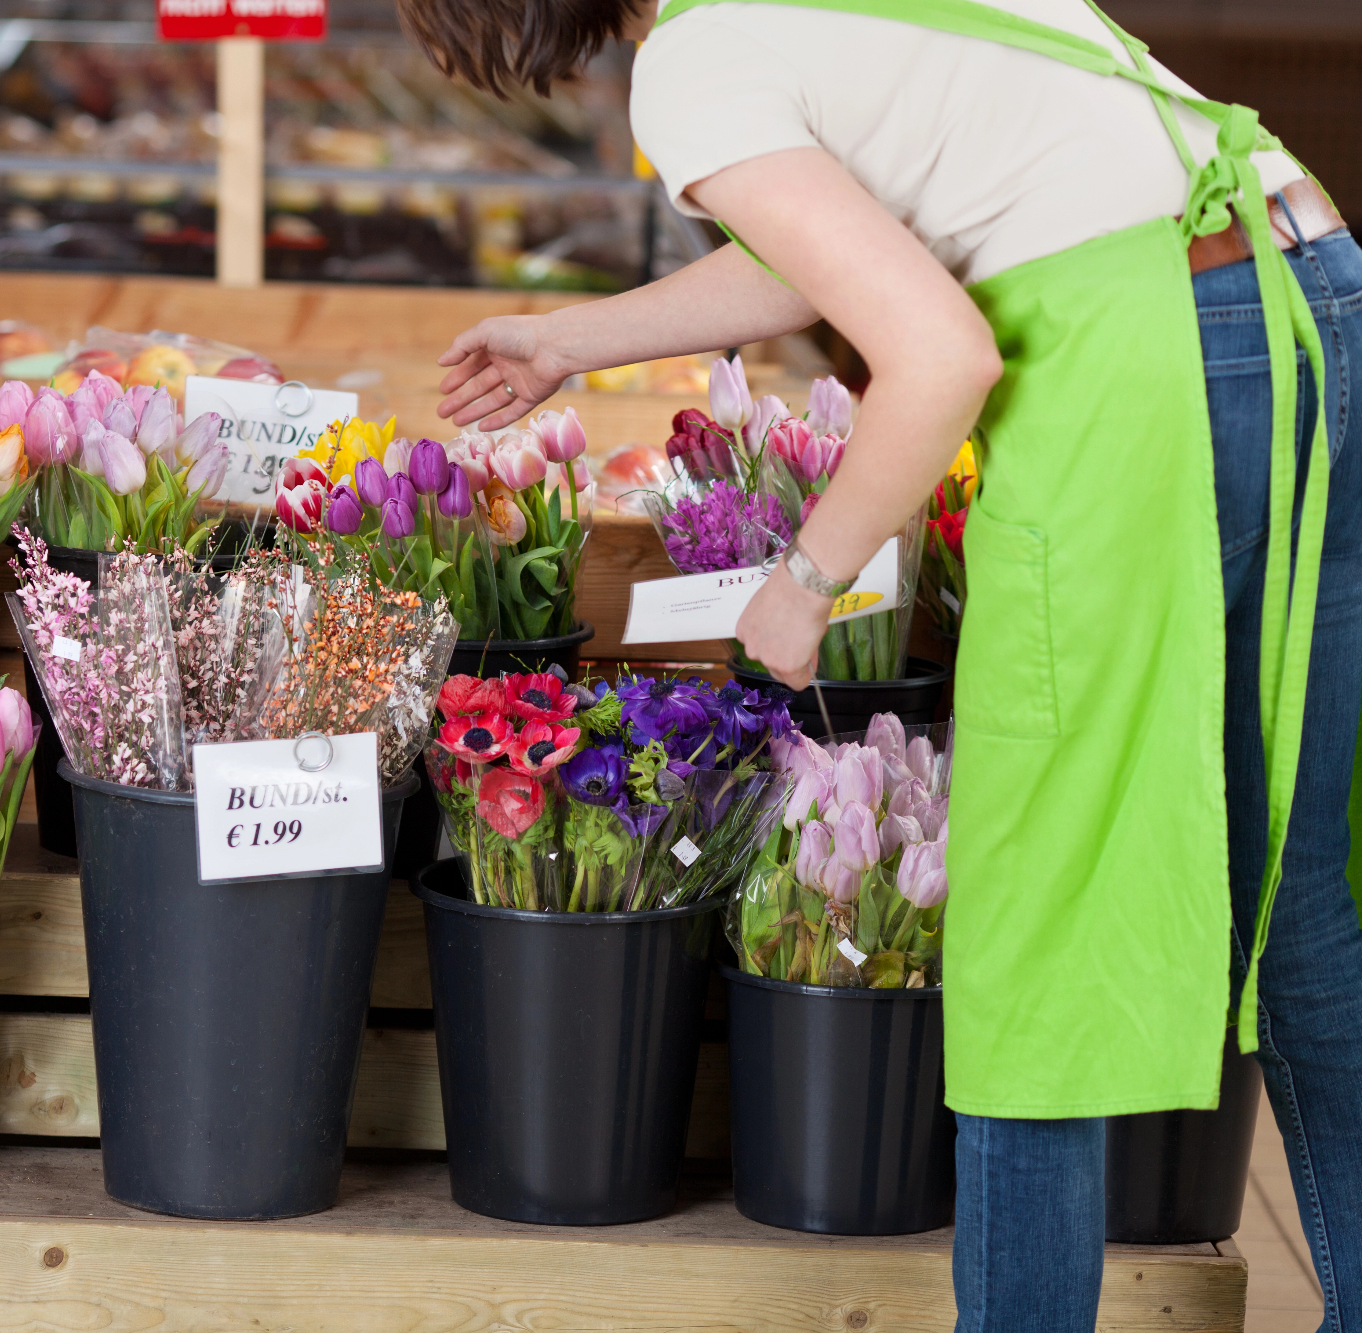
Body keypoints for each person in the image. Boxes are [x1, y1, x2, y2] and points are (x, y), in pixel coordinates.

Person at [394, 0, 1362, 1328]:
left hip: (1154, 366)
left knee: (1037, 905)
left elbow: (941, 350)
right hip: (1306, 293)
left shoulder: (692, 60)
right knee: (1305, 891)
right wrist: (574, 339)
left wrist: (806, 579)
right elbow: (846, 249)